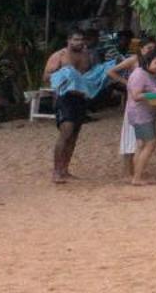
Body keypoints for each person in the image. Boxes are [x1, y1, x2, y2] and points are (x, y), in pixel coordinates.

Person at [45, 31, 116, 185]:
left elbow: (94, 75)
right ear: (68, 40)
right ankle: (56, 171)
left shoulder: (87, 56)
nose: (79, 42)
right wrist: (65, 75)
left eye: (81, 39)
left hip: (81, 98)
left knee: (75, 134)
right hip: (65, 98)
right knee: (66, 131)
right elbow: (46, 76)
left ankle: (65, 170)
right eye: (76, 39)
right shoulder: (59, 56)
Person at [122, 44, 156, 186]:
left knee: (141, 145)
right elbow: (136, 95)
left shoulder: (146, 73)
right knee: (150, 144)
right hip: (141, 114)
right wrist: (154, 94)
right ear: (148, 62)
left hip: (143, 113)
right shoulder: (140, 74)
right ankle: (137, 178)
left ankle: (137, 174)